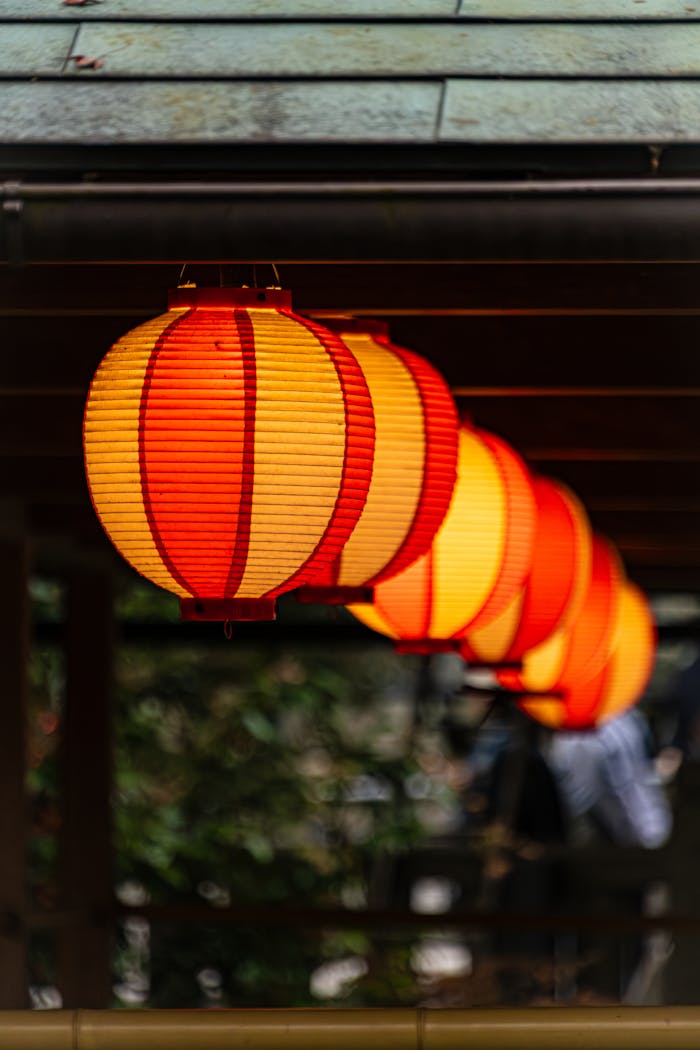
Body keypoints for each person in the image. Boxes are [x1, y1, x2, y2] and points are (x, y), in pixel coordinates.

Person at [548, 708, 672, 849]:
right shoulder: (626, 720)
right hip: (643, 831)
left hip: (626, 840)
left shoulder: (584, 735)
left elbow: (583, 801)